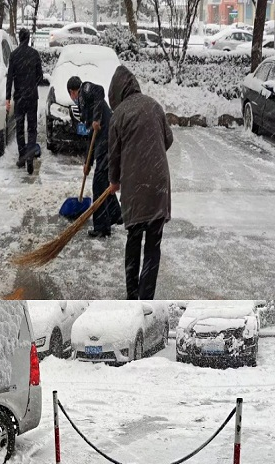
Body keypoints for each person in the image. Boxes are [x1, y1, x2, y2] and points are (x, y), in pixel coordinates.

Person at [106, 65, 174, 300]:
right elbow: (168, 139)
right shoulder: (154, 105)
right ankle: (146, 297)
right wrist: (150, 154)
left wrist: (114, 180)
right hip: (158, 185)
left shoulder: (118, 115)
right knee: (153, 244)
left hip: (134, 188)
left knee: (134, 240)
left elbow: (113, 155)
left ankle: (132, 295)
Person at [67, 76, 123, 238]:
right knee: (104, 180)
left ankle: (102, 227)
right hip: (104, 141)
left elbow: (100, 91)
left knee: (99, 183)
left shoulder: (85, 89)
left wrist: (97, 118)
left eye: (72, 94)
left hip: (108, 139)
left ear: (72, 92)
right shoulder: (84, 106)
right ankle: (115, 215)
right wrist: (87, 163)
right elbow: (91, 135)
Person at [6, 29, 44, 175]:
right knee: (32, 129)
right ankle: (30, 157)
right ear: (28, 39)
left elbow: (9, 78)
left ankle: (22, 156)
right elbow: (40, 77)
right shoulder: (34, 54)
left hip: (19, 97)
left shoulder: (14, 55)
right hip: (32, 97)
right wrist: (32, 84)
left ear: (19, 38)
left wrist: (8, 98)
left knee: (20, 128)